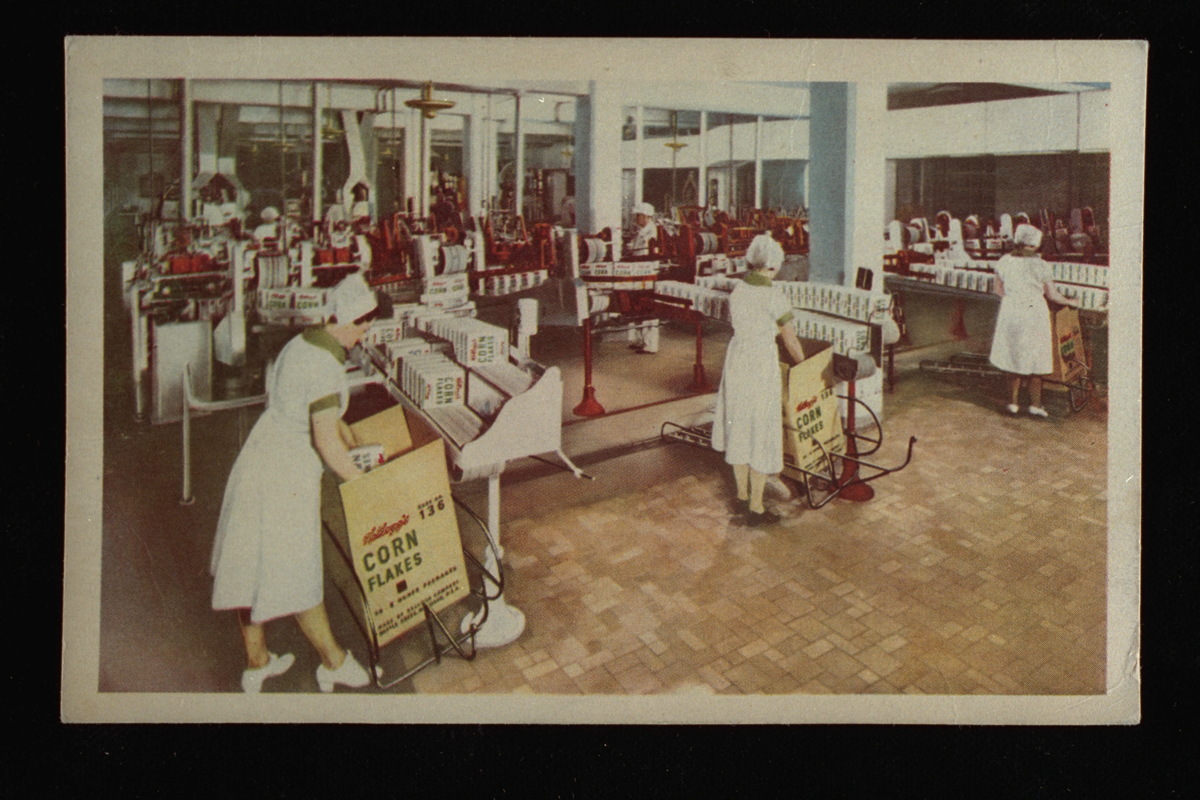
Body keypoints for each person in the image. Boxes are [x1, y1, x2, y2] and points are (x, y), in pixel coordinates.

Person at [210, 273, 382, 693]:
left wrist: (346, 432)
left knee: (247, 565)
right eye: (362, 328)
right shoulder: (326, 365)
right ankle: (334, 663)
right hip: (286, 476)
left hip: (258, 459)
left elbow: (314, 412)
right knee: (299, 576)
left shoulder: (302, 344)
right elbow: (324, 442)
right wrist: (364, 483)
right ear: (349, 322)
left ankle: (257, 663)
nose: (362, 338)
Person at [712, 234, 806, 526]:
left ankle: (741, 496)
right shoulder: (774, 296)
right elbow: (790, 341)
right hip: (760, 364)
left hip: (737, 358)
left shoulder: (738, 290)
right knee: (761, 430)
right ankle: (756, 508)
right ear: (773, 266)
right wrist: (804, 365)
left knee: (739, 425)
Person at [988, 224, 1082, 418]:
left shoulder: (1004, 261)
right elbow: (1053, 295)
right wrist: (1071, 301)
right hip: (1034, 314)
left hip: (1011, 312)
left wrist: (1015, 297)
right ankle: (1036, 405)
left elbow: (997, 290)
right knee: (1036, 359)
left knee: (1012, 357)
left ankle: (1012, 403)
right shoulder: (1041, 265)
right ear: (1036, 244)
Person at [625, 201, 661, 353]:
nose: (635, 218)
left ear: (646, 216)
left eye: (638, 215)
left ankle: (650, 345)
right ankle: (641, 340)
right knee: (639, 307)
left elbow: (647, 253)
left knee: (648, 309)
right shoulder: (642, 231)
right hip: (639, 273)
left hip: (648, 273)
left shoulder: (652, 232)